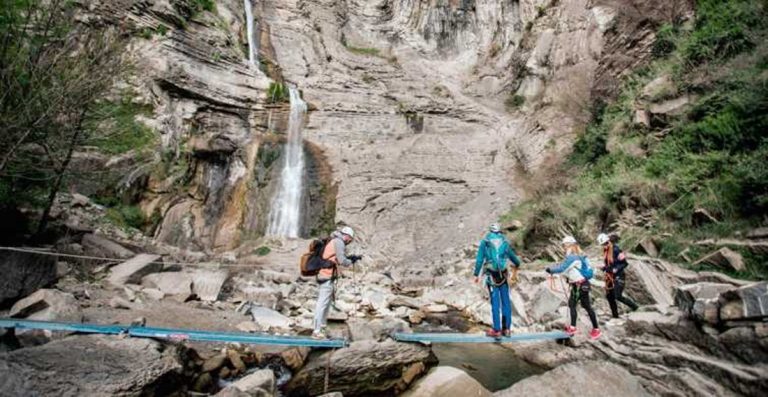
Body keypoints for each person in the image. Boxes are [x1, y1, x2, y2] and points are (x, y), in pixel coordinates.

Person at [546, 236, 601, 340]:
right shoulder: (578, 255)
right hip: (580, 285)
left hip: (580, 286)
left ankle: (596, 329)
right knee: (574, 305)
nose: (563, 247)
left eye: (565, 245)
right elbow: (568, 270)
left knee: (584, 306)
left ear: (570, 245)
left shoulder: (573, 257)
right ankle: (573, 327)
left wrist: (550, 270)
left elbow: (562, 268)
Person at [312, 226, 361, 339]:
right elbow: (342, 261)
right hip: (326, 275)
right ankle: (316, 331)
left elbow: (335, 257)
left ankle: (321, 329)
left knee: (326, 303)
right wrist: (352, 260)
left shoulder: (335, 240)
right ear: (347, 236)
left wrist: (350, 257)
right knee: (322, 304)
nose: (349, 242)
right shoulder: (339, 242)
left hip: (325, 275)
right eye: (350, 239)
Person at [474, 223, 521, 338]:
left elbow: (480, 259)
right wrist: (517, 264)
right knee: (506, 302)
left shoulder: (485, 242)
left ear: (490, 231)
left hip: (492, 276)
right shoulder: (504, 241)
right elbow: (512, 256)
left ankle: (497, 330)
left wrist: (476, 274)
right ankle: (507, 329)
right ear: (499, 231)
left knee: (495, 303)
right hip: (503, 276)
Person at [598, 233, 639, 318]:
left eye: (605, 243)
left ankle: (635, 307)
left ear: (608, 241)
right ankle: (615, 315)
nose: (604, 245)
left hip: (618, 275)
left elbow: (624, 263)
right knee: (609, 296)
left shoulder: (616, 250)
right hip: (609, 276)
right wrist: (604, 268)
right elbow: (609, 264)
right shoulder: (606, 251)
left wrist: (616, 269)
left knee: (617, 295)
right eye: (603, 244)